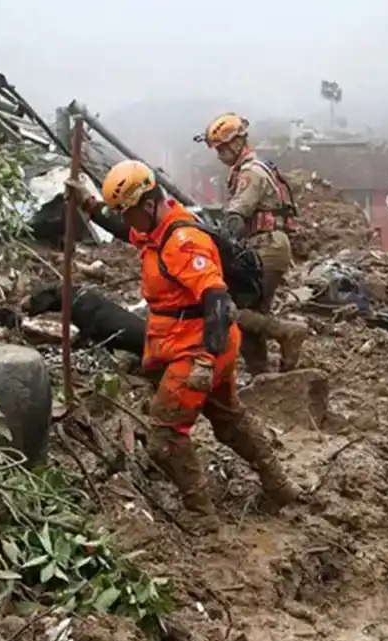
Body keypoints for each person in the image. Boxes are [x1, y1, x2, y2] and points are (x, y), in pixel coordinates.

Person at [91, 160, 300, 532]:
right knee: (228, 419)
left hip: (200, 347)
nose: (131, 223)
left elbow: (217, 299)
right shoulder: (155, 227)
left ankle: (202, 515)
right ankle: (279, 485)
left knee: (166, 435)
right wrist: (89, 207)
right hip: (191, 344)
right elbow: (127, 232)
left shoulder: (184, 243)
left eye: (132, 214)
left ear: (149, 202)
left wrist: (205, 359)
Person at [197, 113, 308, 375]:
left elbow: (236, 215)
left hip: (265, 246)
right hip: (266, 245)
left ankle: (288, 332)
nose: (220, 155)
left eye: (222, 149)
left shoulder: (250, 173)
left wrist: (223, 247)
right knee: (252, 314)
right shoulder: (255, 167)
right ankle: (262, 373)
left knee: (237, 308)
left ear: (236, 143)